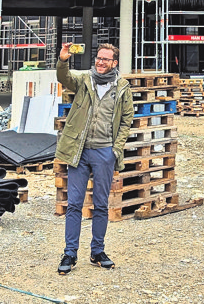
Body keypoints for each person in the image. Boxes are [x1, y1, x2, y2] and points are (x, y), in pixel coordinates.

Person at [54, 42, 134, 275]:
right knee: (74, 204)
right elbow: (63, 77)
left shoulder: (122, 87)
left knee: (100, 204)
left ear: (114, 63)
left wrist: (115, 150)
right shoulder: (84, 80)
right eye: (98, 58)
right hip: (79, 151)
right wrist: (63, 59)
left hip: (104, 153)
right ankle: (70, 253)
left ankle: (97, 251)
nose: (100, 62)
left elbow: (127, 119)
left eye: (106, 59)